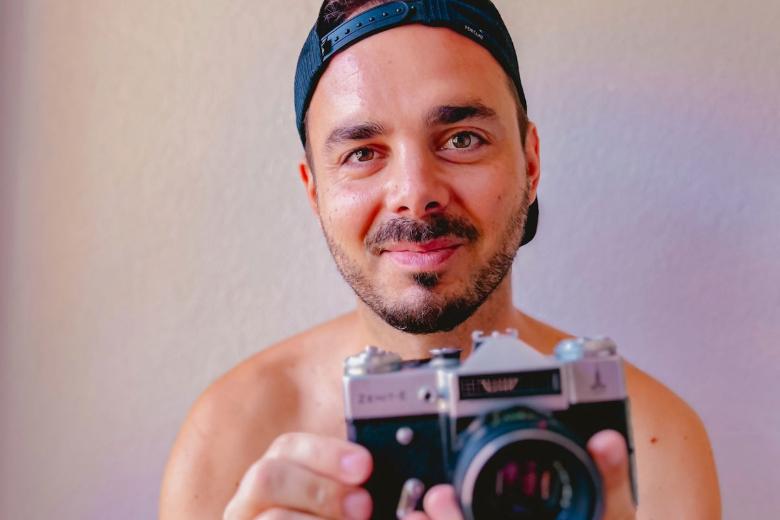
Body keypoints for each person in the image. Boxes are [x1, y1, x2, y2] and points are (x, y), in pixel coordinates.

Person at [160, 1, 721, 518]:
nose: (415, 192)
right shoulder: (232, 441)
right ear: (315, 193)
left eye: (462, 139)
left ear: (529, 164)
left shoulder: (651, 445)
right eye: (363, 153)